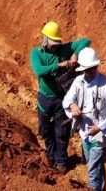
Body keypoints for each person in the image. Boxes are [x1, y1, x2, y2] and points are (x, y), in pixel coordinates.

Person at [30, 21, 92, 173]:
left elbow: (86, 41)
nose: (55, 46)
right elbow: (39, 71)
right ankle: (50, 157)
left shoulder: (64, 49)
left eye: (57, 42)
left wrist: (75, 54)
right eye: (52, 43)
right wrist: (60, 65)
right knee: (45, 130)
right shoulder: (37, 53)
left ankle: (62, 161)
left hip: (62, 99)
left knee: (62, 132)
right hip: (45, 98)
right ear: (45, 40)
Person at [63, 48, 106, 191]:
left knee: (93, 171)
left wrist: (100, 127)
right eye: (88, 69)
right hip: (85, 133)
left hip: (102, 136)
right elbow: (67, 100)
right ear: (83, 69)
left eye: (94, 68)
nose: (92, 71)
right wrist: (73, 105)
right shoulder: (78, 81)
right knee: (94, 165)